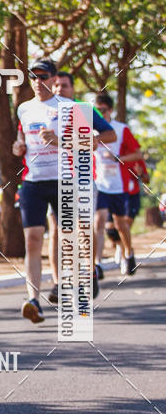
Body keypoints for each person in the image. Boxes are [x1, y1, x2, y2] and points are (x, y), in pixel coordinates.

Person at [13, 59, 115, 324]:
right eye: (33, 76)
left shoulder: (72, 108)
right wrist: (18, 146)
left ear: (53, 78)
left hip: (65, 179)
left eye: (43, 76)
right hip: (33, 181)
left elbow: (100, 139)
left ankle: (83, 277)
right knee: (33, 239)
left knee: (70, 235)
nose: (38, 81)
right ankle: (34, 301)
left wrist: (59, 141)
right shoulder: (24, 109)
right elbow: (22, 139)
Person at [45, 71, 116, 303]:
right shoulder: (44, 110)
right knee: (56, 229)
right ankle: (58, 283)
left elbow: (111, 134)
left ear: (72, 89)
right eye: (56, 86)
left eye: (64, 86)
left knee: (84, 228)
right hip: (52, 178)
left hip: (81, 175)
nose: (59, 89)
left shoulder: (83, 109)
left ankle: (90, 269)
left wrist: (95, 139)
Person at [93, 92, 143, 277]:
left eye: (103, 110)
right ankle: (97, 264)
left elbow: (138, 154)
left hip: (118, 185)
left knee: (120, 224)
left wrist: (118, 157)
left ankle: (128, 253)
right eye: (96, 110)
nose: (100, 114)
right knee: (99, 221)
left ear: (111, 110)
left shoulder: (121, 129)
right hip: (99, 184)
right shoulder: (90, 130)